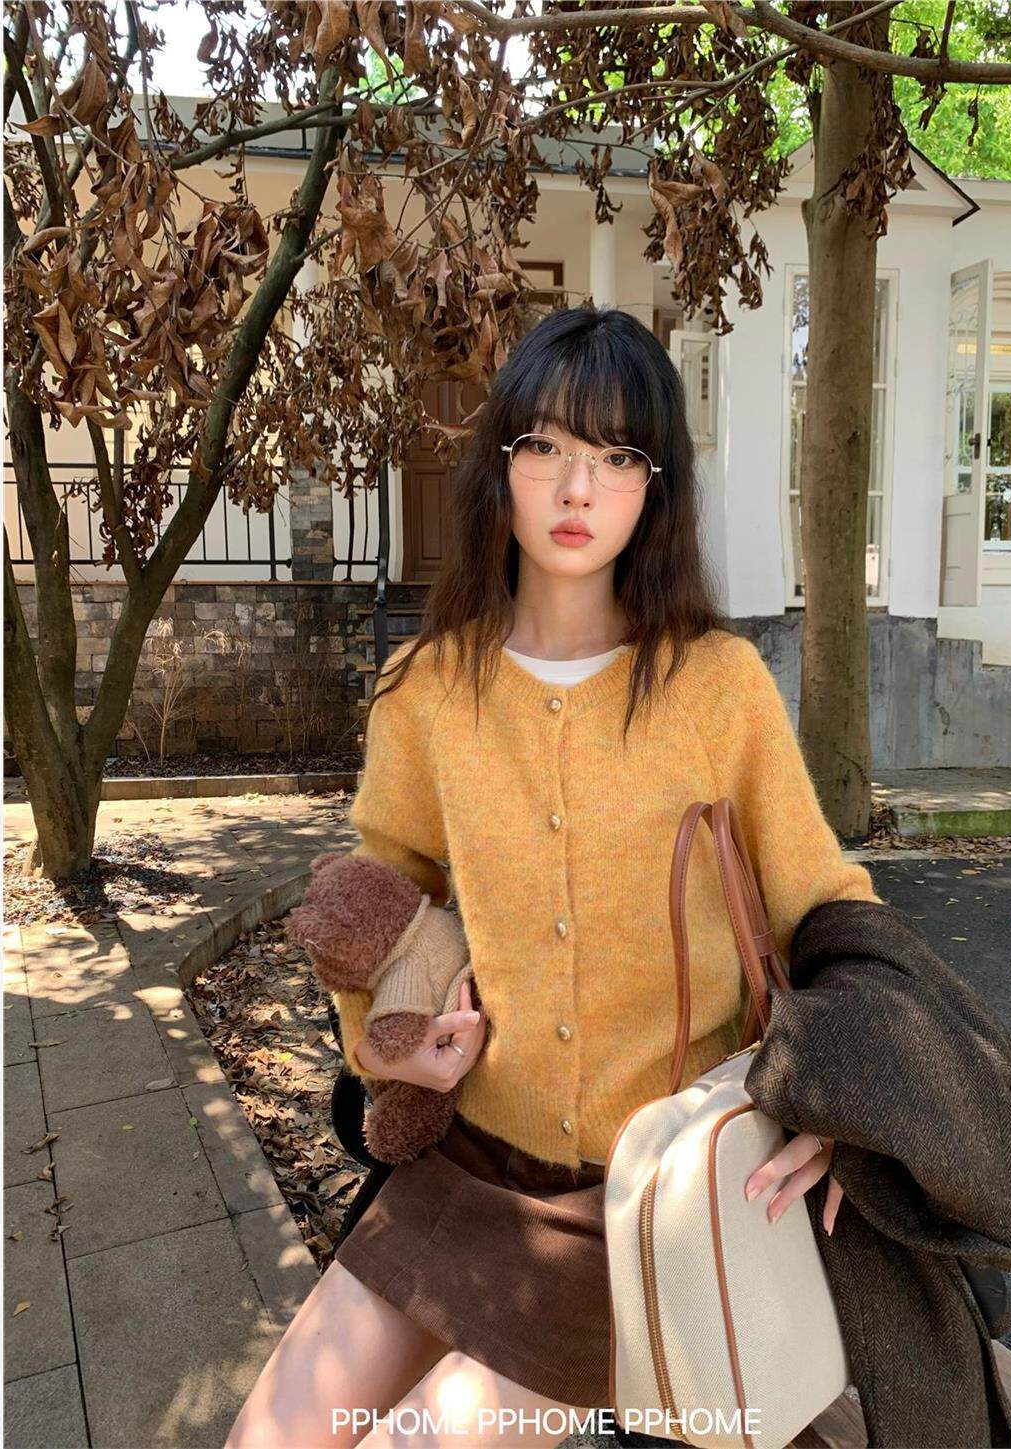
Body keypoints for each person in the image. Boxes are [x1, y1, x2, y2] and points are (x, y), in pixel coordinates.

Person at [225, 304, 880, 1449]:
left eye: (618, 457)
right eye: (548, 447)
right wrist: (387, 1043)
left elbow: (825, 905)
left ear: (655, 488)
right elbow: (373, 898)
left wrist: (833, 1096)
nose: (579, 489)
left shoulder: (717, 686)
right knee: (270, 1438)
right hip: (471, 1169)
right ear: (503, 466)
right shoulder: (426, 690)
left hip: (647, 1202)